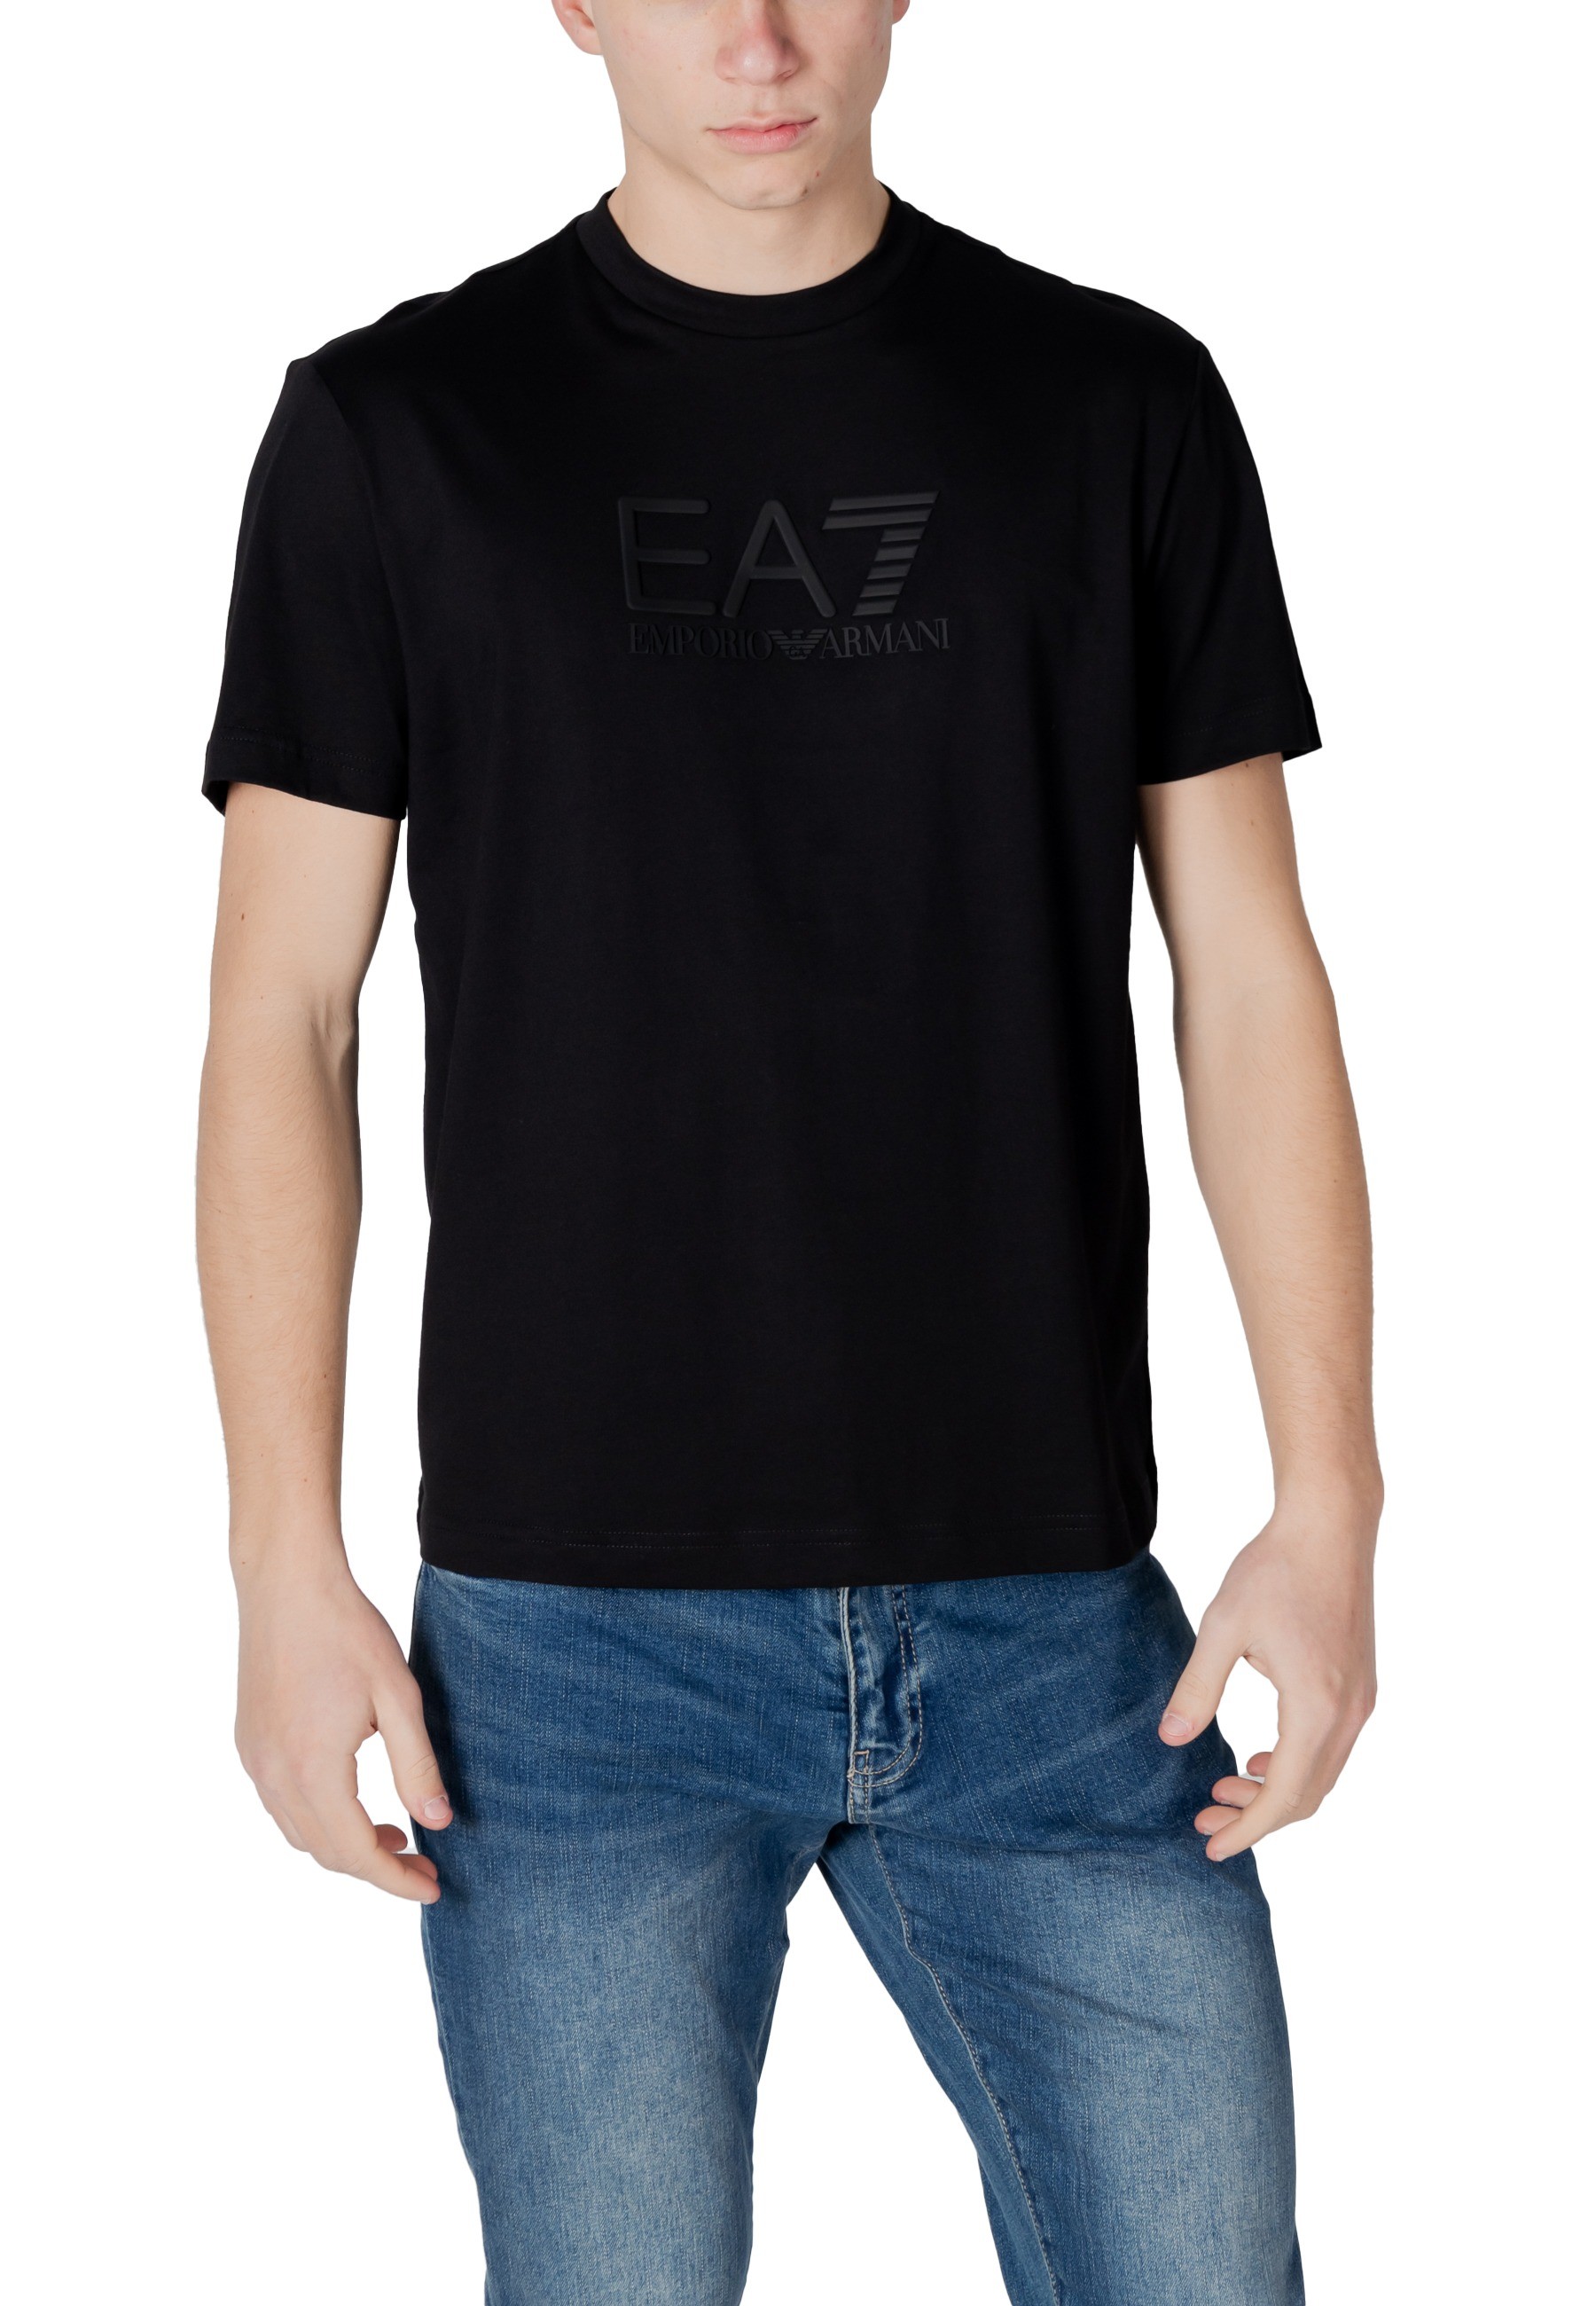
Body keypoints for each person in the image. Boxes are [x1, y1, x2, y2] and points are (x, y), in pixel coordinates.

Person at [197, 4, 1380, 2300]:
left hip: (1056, 1622)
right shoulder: (394, 428)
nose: (756, 36)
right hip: (566, 1658)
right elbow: (281, 1019)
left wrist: (1331, 1501)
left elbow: (1248, 973)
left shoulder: (1116, 403)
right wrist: (278, 1559)